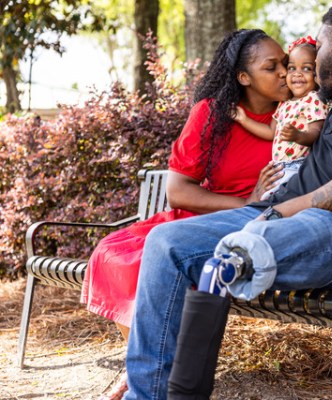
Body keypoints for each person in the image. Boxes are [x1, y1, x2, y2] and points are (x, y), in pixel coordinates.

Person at [124, 3, 332, 399]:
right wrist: (267, 209)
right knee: (164, 243)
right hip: (278, 218)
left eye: (320, 47)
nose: (309, 61)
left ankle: (243, 251)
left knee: (252, 246)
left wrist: (278, 212)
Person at [83, 28, 290, 400]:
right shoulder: (214, 113)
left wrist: (257, 205)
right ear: (243, 77)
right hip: (205, 216)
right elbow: (178, 190)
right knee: (117, 255)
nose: (283, 73)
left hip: (258, 227)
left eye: (285, 65)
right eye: (271, 67)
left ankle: (142, 373)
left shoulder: (294, 117)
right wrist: (245, 202)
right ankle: (143, 367)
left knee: (153, 261)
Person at [233, 35, 329, 200]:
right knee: (268, 199)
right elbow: (271, 131)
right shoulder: (284, 103)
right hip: (280, 167)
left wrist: (298, 136)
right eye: (292, 68)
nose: (296, 74)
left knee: (275, 201)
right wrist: (243, 119)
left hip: (299, 165)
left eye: (306, 68)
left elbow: (315, 132)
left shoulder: (313, 99)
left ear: (317, 73)